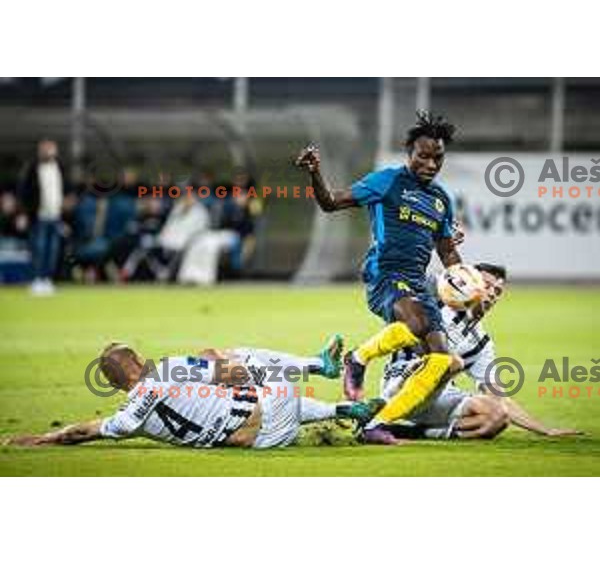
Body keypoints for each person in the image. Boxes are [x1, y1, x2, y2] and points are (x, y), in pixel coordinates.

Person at [295, 111, 463, 443]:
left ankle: (377, 425)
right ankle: (357, 359)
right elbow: (330, 202)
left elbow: (447, 253)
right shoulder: (387, 181)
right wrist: (315, 172)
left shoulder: (441, 200)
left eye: (437, 158)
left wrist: (466, 280)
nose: (431, 164)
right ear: (410, 154)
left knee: (442, 359)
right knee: (414, 324)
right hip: (385, 275)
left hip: (417, 284)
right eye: (423, 156)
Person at [8, 336, 381, 450]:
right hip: (271, 417)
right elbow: (228, 369)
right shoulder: (167, 370)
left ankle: (346, 410)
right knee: (232, 356)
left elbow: (83, 431)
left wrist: (41, 439)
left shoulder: (128, 419)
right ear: (138, 360)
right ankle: (318, 366)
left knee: (264, 398)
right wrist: (221, 365)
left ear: (114, 383)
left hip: (263, 442)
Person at [362, 263, 582, 443]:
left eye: (498, 291)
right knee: (451, 361)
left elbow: (498, 394)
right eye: (487, 285)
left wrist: (544, 430)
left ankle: (413, 432)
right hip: (399, 383)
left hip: (437, 396)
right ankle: (380, 411)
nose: (492, 293)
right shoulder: (433, 305)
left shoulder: (482, 343)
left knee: (497, 416)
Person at [17, 139, 70, 295]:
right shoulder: (32, 168)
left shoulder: (59, 167)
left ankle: (47, 279)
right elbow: (24, 192)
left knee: (52, 250)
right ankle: (36, 280)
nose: (48, 152)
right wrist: (24, 213)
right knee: (38, 249)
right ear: (40, 151)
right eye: (45, 149)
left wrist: (65, 207)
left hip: (55, 215)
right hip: (39, 215)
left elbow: (64, 190)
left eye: (51, 149)